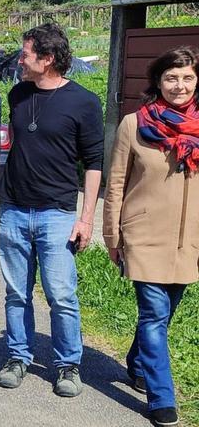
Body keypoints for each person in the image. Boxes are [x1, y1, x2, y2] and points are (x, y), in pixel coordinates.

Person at [0, 23, 103, 397]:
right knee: (16, 293)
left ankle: (67, 365)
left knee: (61, 296)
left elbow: (94, 163)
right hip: (14, 210)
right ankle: (17, 356)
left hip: (57, 213)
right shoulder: (17, 94)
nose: (19, 60)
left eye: (25, 54)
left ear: (48, 59)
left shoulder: (84, 102)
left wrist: (86, 218)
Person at [103, 46, 199, 427]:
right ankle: (162, 398)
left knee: (163, 314)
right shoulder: (134, 124)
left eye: (187, 77)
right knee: (155, 314)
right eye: (171, 78)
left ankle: (138, 361)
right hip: (143, 235)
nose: (180, 85)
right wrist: (112, 235)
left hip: (189, 239)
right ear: (158, 81)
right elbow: (115, 184)